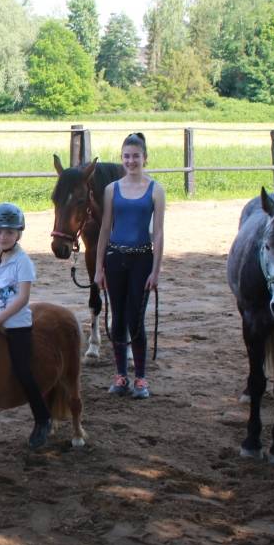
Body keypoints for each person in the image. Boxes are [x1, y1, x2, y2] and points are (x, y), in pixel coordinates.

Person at [93, 132, 166, 399]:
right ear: (121, 159)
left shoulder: (155, 190)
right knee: (118, 319)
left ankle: (141, 378)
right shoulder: (112, 190)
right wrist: (99, 268)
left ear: (145, 158)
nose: (131, 160)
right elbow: (104, 229)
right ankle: (121, 375)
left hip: (142, 260)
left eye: (136, 156)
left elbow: (157, 233)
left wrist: (156, 270)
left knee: (136, 319)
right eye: (126, 156)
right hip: (115, 259)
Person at [0, 202, 52, 450]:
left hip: (16, 325)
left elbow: (22, 298)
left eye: (9, 232)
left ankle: (42, 419)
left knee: (23, 370)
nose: (3, 237)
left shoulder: (23, 261)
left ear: (18, 234)